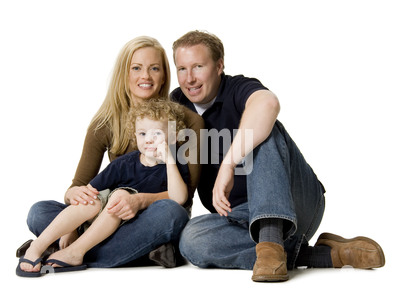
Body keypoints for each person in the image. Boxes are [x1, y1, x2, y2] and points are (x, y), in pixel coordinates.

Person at [171, 30, 385, 282]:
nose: (190, 78)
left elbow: (267, 104)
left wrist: (228, 164)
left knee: (264, 128)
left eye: (198, 66)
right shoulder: (177, 105)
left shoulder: (238, 87)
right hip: (240, 219)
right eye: (182, 69)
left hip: (295, 203)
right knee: (191, 240)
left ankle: (272, 241)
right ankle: (321, 255)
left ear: (219, 66)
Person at [20, 36, 204, 270]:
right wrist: (75, 199)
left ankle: (69, 251)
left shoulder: (188, 122)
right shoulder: (105, 122)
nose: (145, 76)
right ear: (124, 73)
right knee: (39, 212)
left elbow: (184, 196)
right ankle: (136, 253)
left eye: (154, 68)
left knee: (170, 214)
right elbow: (79, 188)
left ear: (164, 75)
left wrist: (138, 201)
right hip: (106, 215)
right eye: (136, 68)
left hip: (151, 215)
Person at [17, 100, 189, 277]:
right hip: (98, 222)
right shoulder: (123, 163)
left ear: (174, 136)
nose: (149, 140)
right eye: (143, 134)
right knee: (45, 210)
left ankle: (74, 250)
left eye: (157, 133)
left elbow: (179, 198)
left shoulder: (175, 165)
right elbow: (88, 193)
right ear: (135, 135)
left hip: (131, 230)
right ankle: (39, 246)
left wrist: (169, 159)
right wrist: (71, 229)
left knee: (128, 198)